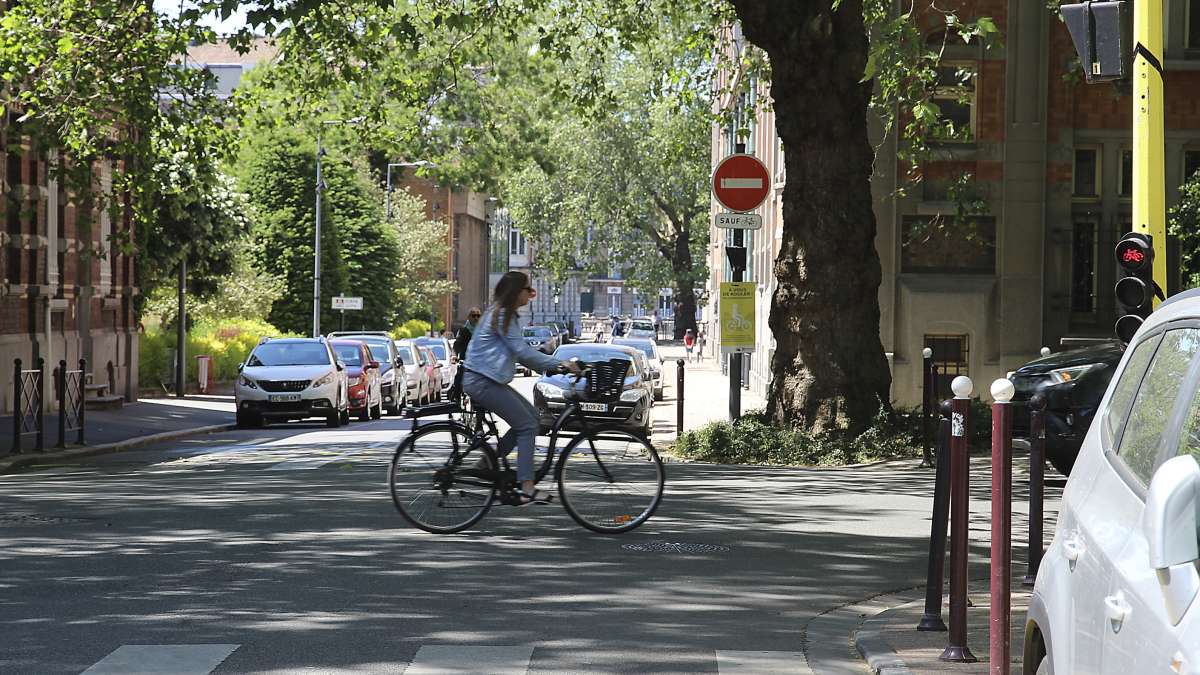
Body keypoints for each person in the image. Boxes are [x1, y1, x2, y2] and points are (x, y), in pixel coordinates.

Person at [462, 272, 579, 505]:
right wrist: (559, 363)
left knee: (532, 418)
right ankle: (527, 487)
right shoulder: (501, 314)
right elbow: (524, 353)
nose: (531, 294)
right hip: (481, 381)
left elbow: (522, 355)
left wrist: (553, 366)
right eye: (529, 290)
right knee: (527, 425)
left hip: (486, 380)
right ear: (517, 292)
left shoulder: (504, 315)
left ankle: (488, 462)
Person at [449, 307, 481, 402]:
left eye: (478, 316)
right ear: (468, 317)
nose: (476, 318)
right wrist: (454, 355)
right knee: (459, 376)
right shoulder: (463, 330)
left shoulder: (483, 331)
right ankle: (456, 398)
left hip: (480, 363)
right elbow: (457, 344)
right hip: (466, 361)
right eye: (473, 315)